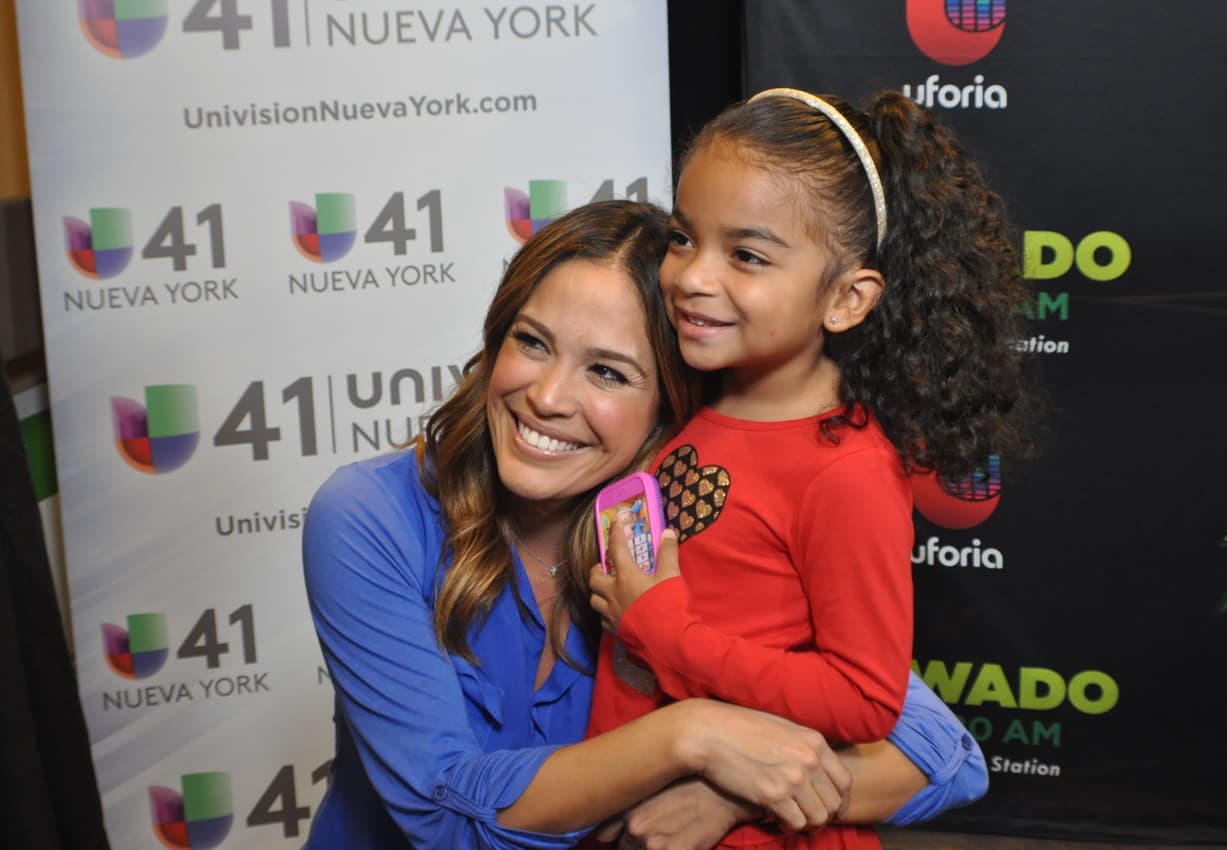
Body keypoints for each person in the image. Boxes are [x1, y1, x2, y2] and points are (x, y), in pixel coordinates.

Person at [303, 200, 985, 850]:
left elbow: (944, 754)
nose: (546, 398)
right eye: (532, 343)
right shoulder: (370, 516)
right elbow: (446, 817)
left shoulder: (685, 528)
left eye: (607, 372)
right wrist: (695, 737)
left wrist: (737, 795)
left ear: (669, 408)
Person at [588, 88, 1038, 849]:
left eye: (748, 255)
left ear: (847, 299)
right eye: (683, 238)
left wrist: (667, 631)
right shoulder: (695, 396)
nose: (694, 277)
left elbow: (865, 700)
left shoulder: (845, 471)